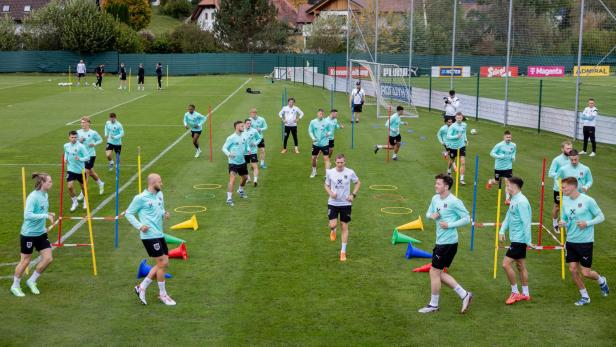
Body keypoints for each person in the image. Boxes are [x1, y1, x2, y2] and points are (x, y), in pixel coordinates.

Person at [419, 173, 473, 314]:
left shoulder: (454, 201)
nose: (435, 186)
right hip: (440, 241)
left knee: (434, 272)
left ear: (446, 186)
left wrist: (449, 225)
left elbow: (467, 218)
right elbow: (428, 213)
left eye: (438, 184)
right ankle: (465, 295)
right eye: (436, 183)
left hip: (448, 243)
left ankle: (433, 305)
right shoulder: (435, 198)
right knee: (438, 273)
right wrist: (432, 216)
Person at [126, 173, 176, 306]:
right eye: (160, 182)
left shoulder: (160, 194)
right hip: (149, 236)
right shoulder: (140, 198)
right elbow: (128, 213)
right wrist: (140, 226)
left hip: (159, 234)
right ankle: (163, 295)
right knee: (162, 263)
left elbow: (160, 209)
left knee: (164, 264)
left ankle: (141, 287)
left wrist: (164, 214)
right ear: (152, 183)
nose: (162, 184)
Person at [559, 176, 608, 306]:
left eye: (564, 187)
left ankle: (601, 280)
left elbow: (601, 217)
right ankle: (585, 296)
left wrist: (587, 223)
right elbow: (565, 218)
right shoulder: (565, 201)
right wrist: (563, 223)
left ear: (573, 186)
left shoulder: (588, 200)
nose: (562, 190)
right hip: (570, 240)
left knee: (586, 273)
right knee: (573, 270)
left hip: (585, 242)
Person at [10, 173, 55, 297]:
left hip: (41, 233)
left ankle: (32, 281)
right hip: (29, 234)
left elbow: (40, 211)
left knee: (48, 259)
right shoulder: (33, 197)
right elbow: (27, 215)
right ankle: (15, 285)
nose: (51, 183)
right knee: (25, 261)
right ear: (42, 183)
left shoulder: (45, 194)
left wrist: (47, 214)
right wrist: (46, 215)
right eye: (49, 181)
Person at [498, 176, 532, 305]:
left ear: (514, 186)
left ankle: (515, 292)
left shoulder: (522, 202)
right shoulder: (514, 199)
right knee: (520, 266)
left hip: (520, 240)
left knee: (505, 264)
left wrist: (527, 241)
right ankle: (526, 294)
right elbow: (508, 215)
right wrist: (502, 230)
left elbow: (526, 222)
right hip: (516, 239)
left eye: (508, 185)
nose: (507, 188)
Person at [324, 153, 360, 261]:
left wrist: (352, 195)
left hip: (346, 204)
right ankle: (333, 230)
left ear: (345, 162)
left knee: (344, 226)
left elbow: (358, 183)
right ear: (335, 162)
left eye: (342, 162)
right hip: (333, 203)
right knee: (333, 224)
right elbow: (326, 185)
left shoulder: (350, 172)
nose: (340, 164)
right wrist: (330, 193)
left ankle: (343, 252)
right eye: (338, 162)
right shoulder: (330, 172)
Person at [222, 121, 249, 206]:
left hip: (242, 162)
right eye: (242, 126)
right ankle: (229, 199)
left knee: (245, 178)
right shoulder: (231, 138)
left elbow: (246, 146)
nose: (243, 127)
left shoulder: (244, 136)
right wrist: (229, 154)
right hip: (233, 163)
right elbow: (223, 148)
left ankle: (240, 190)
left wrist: (248, 150)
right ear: (237, 127)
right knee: (232, 180)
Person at [548, 140, 572, 232]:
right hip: (559, 188)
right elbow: (550, 173)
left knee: (569, 206)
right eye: (567, 148)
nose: (570, 150)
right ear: (562, 149)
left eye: (570, 148)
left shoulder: (572, 159)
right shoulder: (557, 160)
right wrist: (560, 174)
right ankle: (555, 223)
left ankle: (566, 224)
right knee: (557, 207)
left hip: (570, 188)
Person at [487, 130, 517, 203]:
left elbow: (513, 152)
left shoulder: (513, 145)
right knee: (496, 182)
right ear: (504, 137)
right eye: (507, 137)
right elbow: (491, 153)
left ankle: (507, 199)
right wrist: (499, 156)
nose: (508, 139)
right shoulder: (499, 145)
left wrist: (513, 157)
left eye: (509, 137)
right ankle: (490, 181)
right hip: (499, 167)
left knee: (507, 182)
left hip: (508, 167)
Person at [77, 116, 105, 195]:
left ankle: (83, 193)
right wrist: (80, 140)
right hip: (81, 156)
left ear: (88, 123)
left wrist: (94, 144)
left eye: (84, 122)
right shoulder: (78, 132)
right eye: (81, 122)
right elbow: (74, 143)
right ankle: (100, 183)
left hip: (90, 155)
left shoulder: (93, 133)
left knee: (86, 173)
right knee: (91, 172)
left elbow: (100, 140)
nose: (82, 124)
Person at [64, 130, 90, 212]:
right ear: (69, 137)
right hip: (70, 169)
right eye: (72, 137)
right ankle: (74, 202)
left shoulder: (81, 147)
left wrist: (80, 158)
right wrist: (65, 158)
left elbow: (88, 157)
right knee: (69, 186)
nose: (74, 139)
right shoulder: (66, 146)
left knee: (83, 187)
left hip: (80, 171)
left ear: (77, 138)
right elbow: (66, 153)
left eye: (75, 137)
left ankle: (85, 201)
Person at [308, 109, 333, 178]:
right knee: (313, 158)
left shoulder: (327, 122)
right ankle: (314, 171)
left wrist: (328, 133)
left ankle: (327, 175)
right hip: (316, 144)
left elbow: (331, 130)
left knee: (326, 159)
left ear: (323, 114)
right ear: (317, 114)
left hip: (324, 143)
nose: (321, 115)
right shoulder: (313, 122)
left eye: (322, 114)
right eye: (319, 114)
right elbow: (310, 131)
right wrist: (313, 138)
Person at [446, 112, 468, 184]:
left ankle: (462, 179)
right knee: (452, 160)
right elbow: (448, 136)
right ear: (455, 118)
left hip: (461, 146)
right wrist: (456, 136)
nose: (459, 119)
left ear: (462, 118)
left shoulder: (464, 125)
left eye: (460, 118)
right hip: (453, 146)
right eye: (457, 118)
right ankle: (449, 170)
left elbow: (464, 133)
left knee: (463, 162)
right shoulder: (452, 126)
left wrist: (465, 139)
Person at [243, 118, 261, 187]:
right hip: (244, 152)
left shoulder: (254, 131)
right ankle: (248, 178)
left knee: (255, 166)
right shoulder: (242, 131)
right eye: (247, 123)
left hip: (253, 151)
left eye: (250, 123)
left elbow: (259, 138)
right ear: (244, 124)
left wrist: (255, 143)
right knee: (245, 166)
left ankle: (255, 180)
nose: (249, 125)